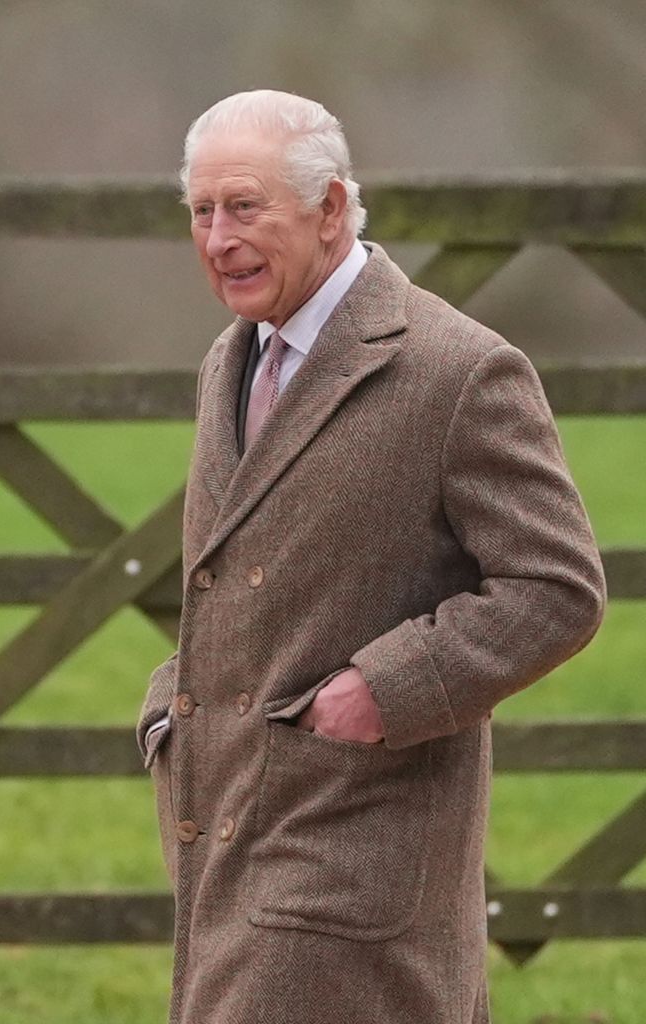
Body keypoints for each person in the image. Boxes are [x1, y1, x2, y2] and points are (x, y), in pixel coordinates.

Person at [136, 89, 606, 1024]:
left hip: (358, 855)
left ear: (332, 208)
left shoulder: (457, 368)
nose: (218, 237)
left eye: (245, 206)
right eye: (201, 211)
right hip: (218, 828)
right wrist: (171, 708)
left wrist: (382, 691)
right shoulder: (228, 361)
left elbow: (558, 589)